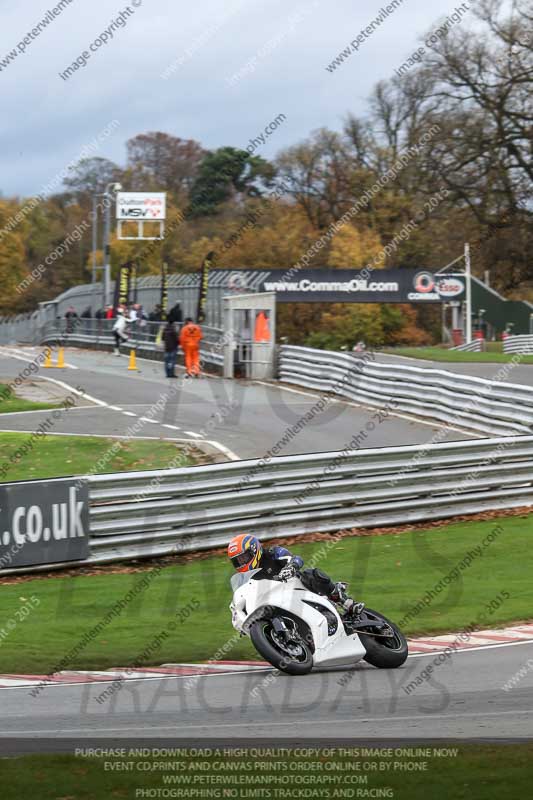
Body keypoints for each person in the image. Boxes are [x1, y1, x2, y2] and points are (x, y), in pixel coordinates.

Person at [227, 534, 364, 617]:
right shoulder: (246, 578)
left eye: (244, 558)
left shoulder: (272, 553)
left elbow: (295, 558)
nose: (241, 563)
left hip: (297, 587)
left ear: (254, 550)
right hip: (277, 602)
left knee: (311, 574)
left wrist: (291, 567)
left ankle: (344, 601)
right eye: (237, 561)